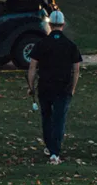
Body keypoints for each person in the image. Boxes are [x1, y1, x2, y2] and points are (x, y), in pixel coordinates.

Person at [27, 8, 83, 164]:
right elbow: (76, 69)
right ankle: (55, 152)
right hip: (63, 88)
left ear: (50, 25)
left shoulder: (40, 44)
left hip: (45, 87)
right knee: (59, 119)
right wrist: (73, 88)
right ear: (63, 25)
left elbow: (32, 68)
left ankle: (49, 146)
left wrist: (31, 87)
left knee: (46, 118)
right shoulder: (71, 45)